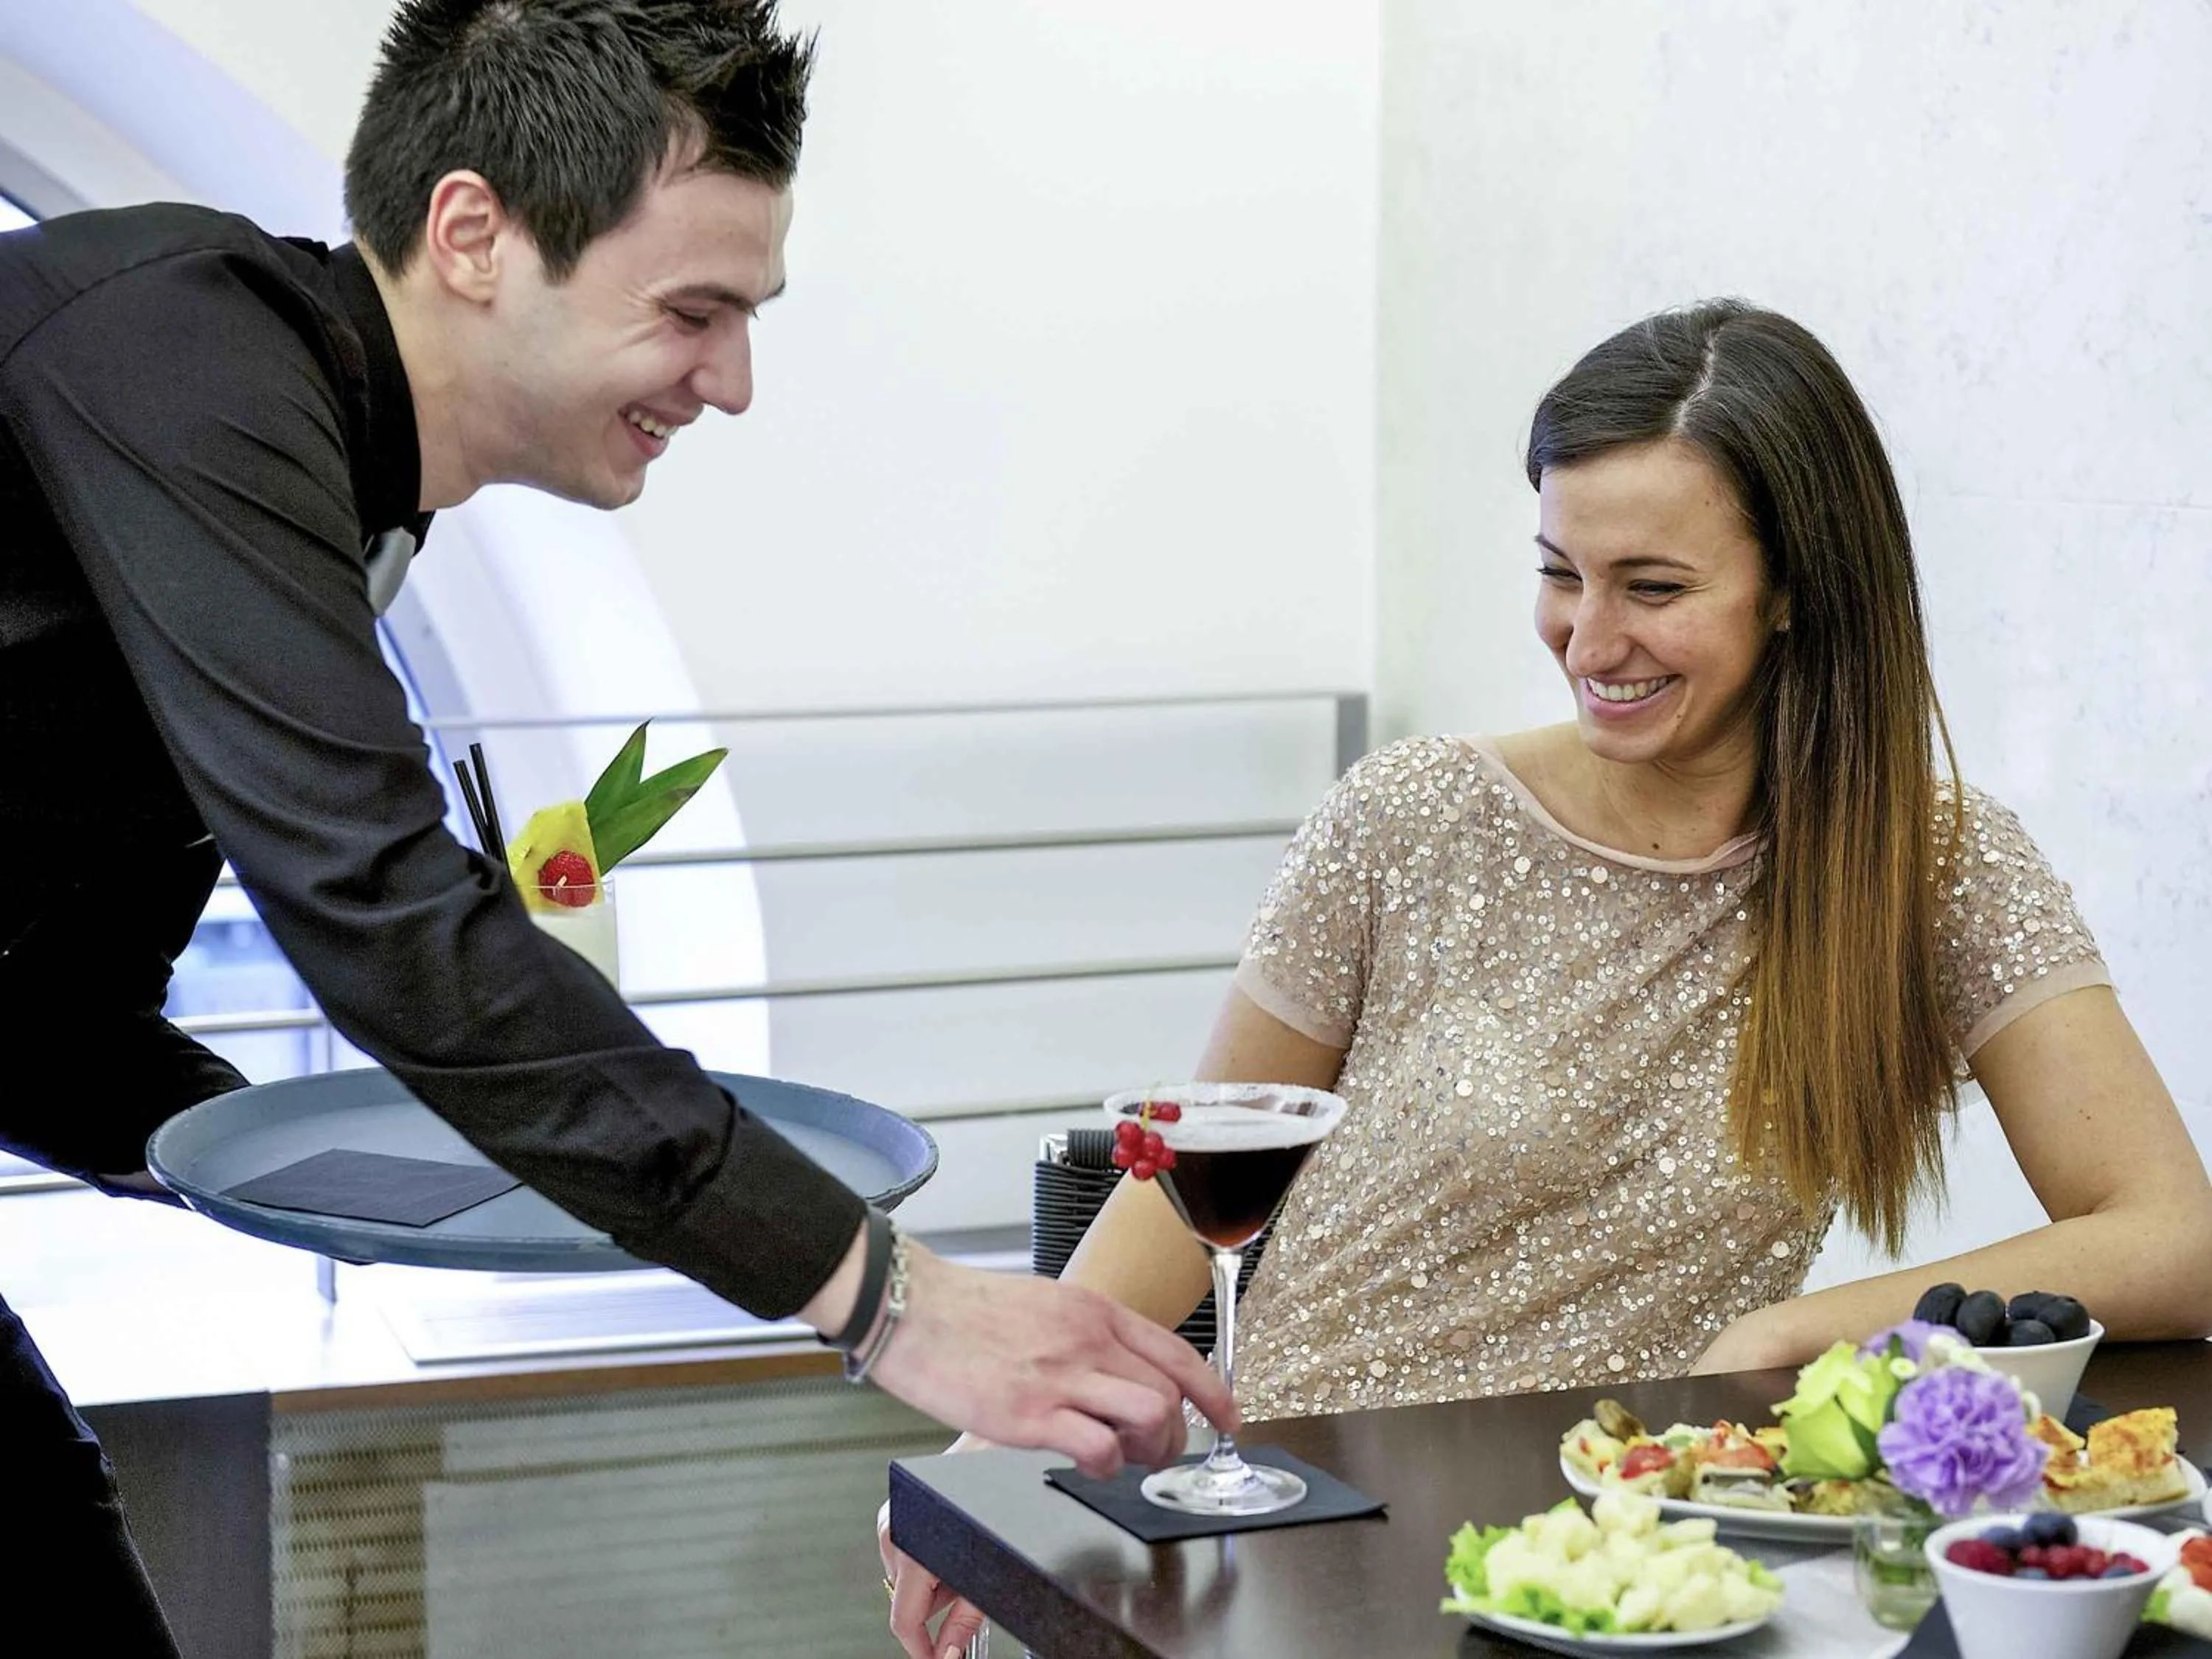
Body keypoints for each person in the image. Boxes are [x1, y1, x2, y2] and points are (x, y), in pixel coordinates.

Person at [0, 0, 1231, 1644]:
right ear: (473, 235)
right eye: (695, 313)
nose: (729, 384)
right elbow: (374, 899)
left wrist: (295, 1156)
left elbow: (36, 1010)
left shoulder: (346, 487)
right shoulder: (180, 353)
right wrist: (891, 1301)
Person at [880, 299, 2212, 1658]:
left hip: (1618, 1571)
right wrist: (983, 1465)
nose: (1585, 638)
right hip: (1291, 1526)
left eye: (1653, 586)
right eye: (1559, 571)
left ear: (1797, 586)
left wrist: (1790, 1330)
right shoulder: (1410, 818)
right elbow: (1193, 1179)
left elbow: (2176, 1236)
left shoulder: (1933, 867)